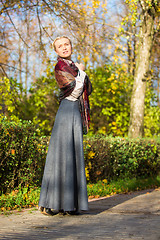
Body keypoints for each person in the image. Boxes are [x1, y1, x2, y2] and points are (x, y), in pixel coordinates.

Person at [38, 36, 92, 216]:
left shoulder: (74, 66)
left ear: (71, 46)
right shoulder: (60, 67)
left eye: (66, 44)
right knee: (61, 154)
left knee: (73, 155)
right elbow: (74, 87)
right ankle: (51, 203)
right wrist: (82, 73)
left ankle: (69, 205)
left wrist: (80, 71)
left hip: (74, 112)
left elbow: (88, 89)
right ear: (56, 51)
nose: (64, 48)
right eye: (60, 46)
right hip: (67, 111)